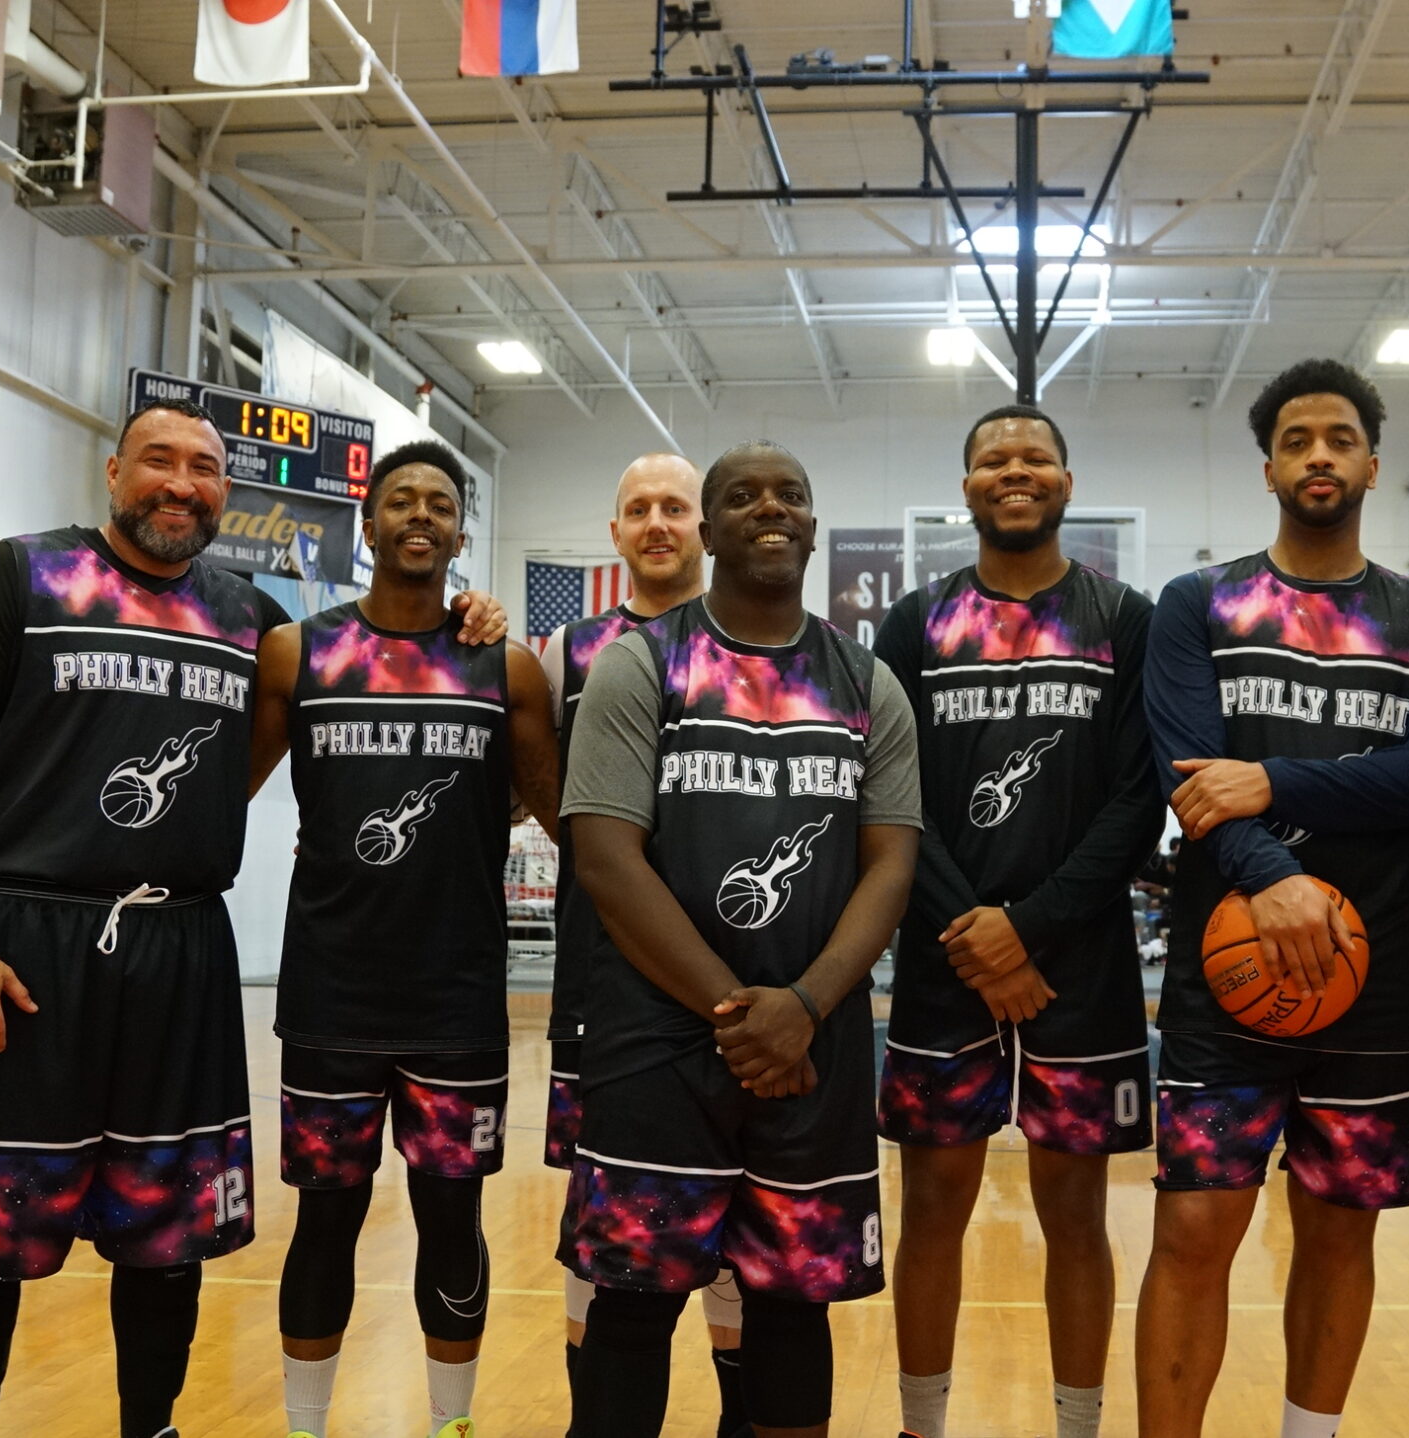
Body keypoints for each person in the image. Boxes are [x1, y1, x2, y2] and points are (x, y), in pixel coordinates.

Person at [0, 398, 504, 1438]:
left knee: (166, 1225)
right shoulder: (23, 576)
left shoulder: (253, 620)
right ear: (113, 470)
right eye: (159, 461)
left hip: (181, 942)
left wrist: (465, 620)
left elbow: (370, 646)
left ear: (226, 491)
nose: (181, 483)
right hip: (25, 939)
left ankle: (153, 1425)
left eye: (204, 468)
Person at [1136, 359, 1409, 1438]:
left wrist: (1279, 782)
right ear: (1269, 465)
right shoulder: (1199, 605)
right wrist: (1276, 879)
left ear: (1373, 462)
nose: (1319, 454)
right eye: (1297, 439)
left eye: (1339, 437)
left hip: (1377, 980)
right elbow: (1189, 777)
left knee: (1341, 1230)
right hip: (1223, 971)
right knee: (1194, 1227)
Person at [558, 441, 922, 1438]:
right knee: (631, 1307)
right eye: (743, 496)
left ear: (813, 526)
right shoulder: (640, 662)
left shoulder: (866, 683)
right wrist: (737, 1012)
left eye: (790, 495)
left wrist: (801, 1008)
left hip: (815, 1046)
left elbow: (889, 863)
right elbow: (604, 855)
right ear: (710, 530)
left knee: (789, 1308)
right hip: (658, 1042)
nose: (771, 507)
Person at [245, 439, 561, 1438]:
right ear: (368, 524)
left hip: (456, 1001)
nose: (419, 516)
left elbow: (564, 817)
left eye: (439, 504)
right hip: (331, 998)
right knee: (325, 1222)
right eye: (400, 501)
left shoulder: (502, 665)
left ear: (460, 533)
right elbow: (220, 798)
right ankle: (305, 1425)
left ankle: (450, 1424)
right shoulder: (300, 655)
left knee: (451, 1221)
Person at [874, 405, 1161, 1438]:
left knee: (1078, 1219)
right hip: (944, 962)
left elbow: (1138, 797)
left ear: (1067, 481)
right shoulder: (915, 622)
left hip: (1078, 963)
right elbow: (892, 798)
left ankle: (1077, 1427)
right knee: (932, 1213)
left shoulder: (1124, 618)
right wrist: (979, 937)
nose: (1014, 470)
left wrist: (1029, 929)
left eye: (1033, 456)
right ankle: (921, 1427)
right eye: (993, 459)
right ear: (965, 489)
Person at [537, 452, 753, 1435]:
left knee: (741, 1232)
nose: (657, 522)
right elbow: (541, 800)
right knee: (602, 1236)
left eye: (675, 506)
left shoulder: (756, 645)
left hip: (743, 983)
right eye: (638, 509)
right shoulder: (560, 654)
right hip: (604, 988)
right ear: (615, 533)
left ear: (703, 527)